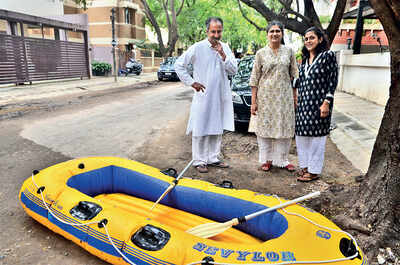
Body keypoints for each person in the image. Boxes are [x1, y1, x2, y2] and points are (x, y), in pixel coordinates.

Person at [175, 17, 238, 173]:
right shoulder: (198, 47)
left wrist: (223, 54)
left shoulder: (225, 47)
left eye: (219, 31)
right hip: (203, 94)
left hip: (220, 94)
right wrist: (191, 82)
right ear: (207, 31)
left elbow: (234, 70)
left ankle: (213, 158)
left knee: (217, 126)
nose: (216, 35)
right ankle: (199, 160)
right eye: (213, 31)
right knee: (200, 126)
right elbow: (179, 65)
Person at [249, 21, 298, 172]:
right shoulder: (260, 53)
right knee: (265, 128)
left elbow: (295, 75)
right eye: (272, 31)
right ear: (267, 34)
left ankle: (282, 160)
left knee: (283, 128)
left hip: (284, 98)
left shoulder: (289, 51)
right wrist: (253, 102)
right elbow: (254, 78)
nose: (275, 34)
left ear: (282, 34)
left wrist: (295, 98)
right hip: (265, 98)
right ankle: (267, 160)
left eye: (278, 31)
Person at [295, 27, 338, 182]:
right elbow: (299, 82)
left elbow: (333, 81)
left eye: (311, 38)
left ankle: (314, 171)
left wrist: (327, 102)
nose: (308, 41)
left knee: (317, 139)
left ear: (320, 39)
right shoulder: (304, 61)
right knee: (301, 137)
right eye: (306, 39)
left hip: (319, 105)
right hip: (303, 106)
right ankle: (305, 167)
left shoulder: (328, 56)